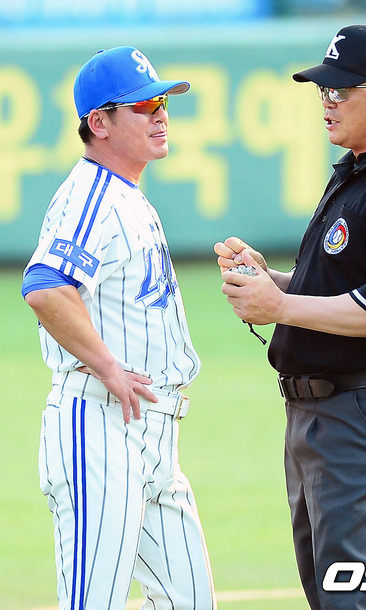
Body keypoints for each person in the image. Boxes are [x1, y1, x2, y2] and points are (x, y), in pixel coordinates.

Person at [215, 24, 366, 610]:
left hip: (364, 416)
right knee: (334, 596)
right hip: (326, 417)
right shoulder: (362, 171)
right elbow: (340, 289)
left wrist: (280, 306)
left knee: (356, 599)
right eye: (325, 90)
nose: (327, 101)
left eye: (342, 90)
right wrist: (270, 282)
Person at [22, 46, 216, 610]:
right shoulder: (92, 195)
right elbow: (45, 286)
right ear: (99, 123)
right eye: (144, 105)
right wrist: (107, 365)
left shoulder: (126, 194)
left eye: (163, 103)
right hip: (100, 428)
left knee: (190, 601)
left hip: (153, 434)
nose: (161, 115)